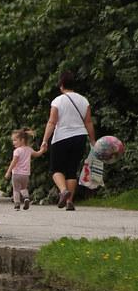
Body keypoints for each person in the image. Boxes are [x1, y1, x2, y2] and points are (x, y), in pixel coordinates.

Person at [41, 69, 95, 211]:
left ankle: (63, 190)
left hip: (61, 138)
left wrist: (45, 140)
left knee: (56, 169)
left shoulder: (58, 101)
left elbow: (52, 122)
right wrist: (93, 140)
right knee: (71, 170)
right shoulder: (83, 100)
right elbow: (88, 122)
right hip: (80, 137)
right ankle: (70, 202)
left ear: (61, 85)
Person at [5, 126, 46, 210]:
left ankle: (17, 204)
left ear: (22, 140)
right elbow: (38, 154)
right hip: (26, 174)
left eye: (15, 140)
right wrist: (42, 149)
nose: (13, 142)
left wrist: (8, 172)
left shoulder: (17, 151)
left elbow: (14, 162)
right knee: (23, 188)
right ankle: (26, 197)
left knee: (16, 189)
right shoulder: (29, 149)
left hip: (16, 173)